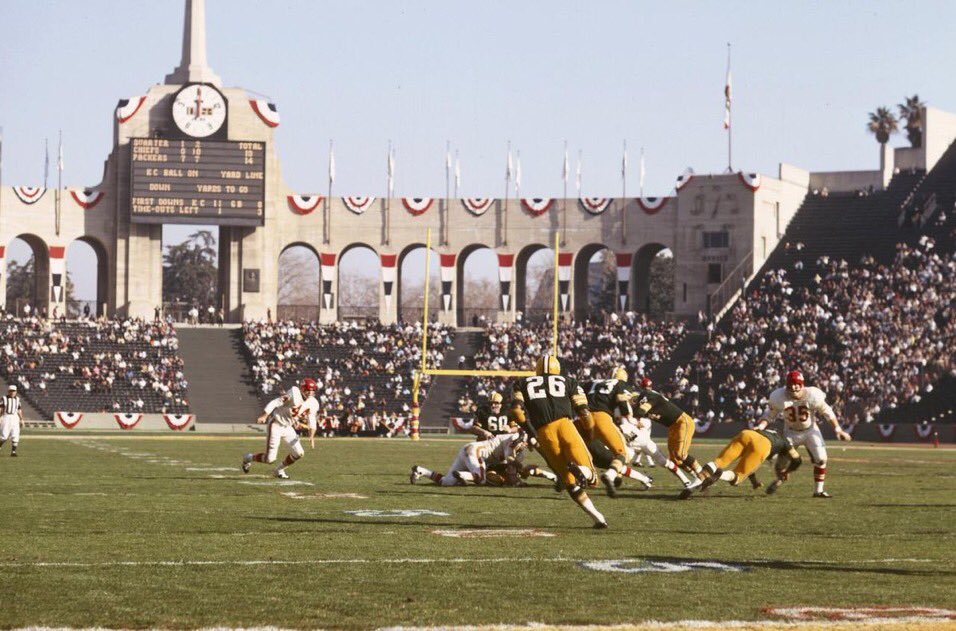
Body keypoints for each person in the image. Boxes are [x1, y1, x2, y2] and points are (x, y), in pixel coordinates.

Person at [510, 355, 608, 529]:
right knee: (592, 478)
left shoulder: (522, 382)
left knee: (569, 482)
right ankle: (583, 471)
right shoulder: (568, 381)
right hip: (565, 426)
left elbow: (517, 412)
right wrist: (590, 432)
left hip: (543, 433)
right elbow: (584, 412)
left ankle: (598, 518)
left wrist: (531, 433)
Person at [754, 370, 851, 498]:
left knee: (822, 459)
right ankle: (782, 477)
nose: (794, 387)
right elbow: (770, 415)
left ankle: (818, 491)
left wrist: (838, 429)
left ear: (802, 384)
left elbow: (827, 412)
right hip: (790, 433)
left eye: (797, 384)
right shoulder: (779, 397)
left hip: (810, 430)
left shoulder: (812, 395)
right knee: (780, 466)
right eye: (791, 384)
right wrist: (760, 426)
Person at [583, 367, 653, 496]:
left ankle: (565, 477)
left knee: (590, 457)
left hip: (583, 420)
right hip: (602, 420)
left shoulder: (593, 382)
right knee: (621, 455)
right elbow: (622, 402)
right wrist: (630, 418)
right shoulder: (619, 384)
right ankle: (610, 476)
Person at [684, 427, 802, 498]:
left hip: (748, 434)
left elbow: (751, 469)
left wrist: (754, 482)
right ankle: (720, 475)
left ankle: (693, 484)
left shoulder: (768, 431)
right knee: (738, 476)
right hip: (764, 445)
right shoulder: (785, 442)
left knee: (719, 462)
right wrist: (788, 471)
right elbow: (797, 460)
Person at [629, 379, 705, 482]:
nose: (632, 403)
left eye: (633, 401)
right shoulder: (646, 398)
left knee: (681, 454)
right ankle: (696, 478)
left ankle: (702, 474)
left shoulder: (649, 395)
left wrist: (634, 413)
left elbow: (641, 411)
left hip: (681, 422)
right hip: (672, 426)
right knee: (675, 460)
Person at [242, 378, 319, 479]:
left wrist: (312, 436)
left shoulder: (313, 403)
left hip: (288, 427)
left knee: (299, 453)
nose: (310, 393)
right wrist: (264, 415)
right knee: (270, 459)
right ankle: (248, 457)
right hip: (276, 424)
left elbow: (312, 419)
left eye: (313, 391)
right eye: (308, 390)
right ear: (302, 389)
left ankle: (279, 470)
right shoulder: (294, 393)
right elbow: (276, 402)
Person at [410, 432, 525, 486]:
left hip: (467, 449)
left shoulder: (518, 446)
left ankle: (421, 471)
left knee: (447, 482)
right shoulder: (513, 438)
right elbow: (509, 459)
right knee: (481, 479)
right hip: (476, 452)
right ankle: (462, 475)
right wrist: (521, 468)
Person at [0, 385, 24, 456]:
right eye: (11, 391)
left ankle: (13, 452)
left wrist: (21, 419)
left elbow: (19, 410)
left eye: (14, 391)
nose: (12, 392)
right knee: (4, 436)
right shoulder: (4, 398)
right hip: (6, 417)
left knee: (15, 434)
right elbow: (1, 408)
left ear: (16, 391)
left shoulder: (17, 399)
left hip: (15, 417)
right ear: (8, 391)